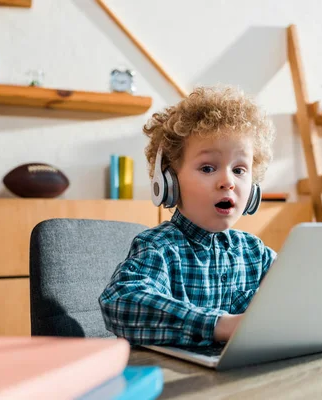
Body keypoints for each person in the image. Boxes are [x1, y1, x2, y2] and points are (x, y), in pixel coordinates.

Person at [99, 86, 277, 346]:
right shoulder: (159, 248)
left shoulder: (254, 252)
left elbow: (302, 291)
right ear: (169, 181)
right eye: (208, 168)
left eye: (239, 170)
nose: (228, 181)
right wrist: (219, 325)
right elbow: (121, 300)